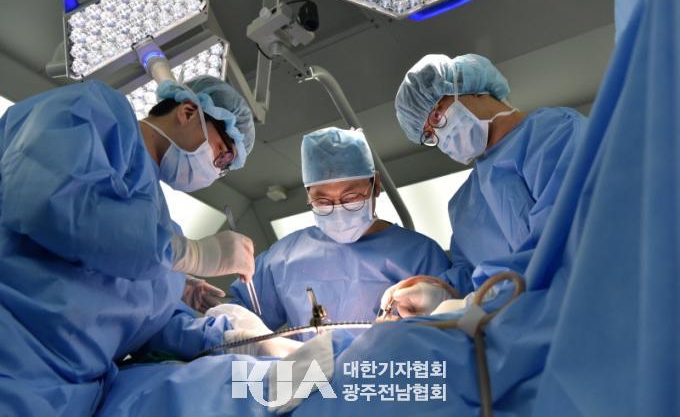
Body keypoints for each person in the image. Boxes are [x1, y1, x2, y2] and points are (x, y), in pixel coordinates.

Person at [0, 76, 256, 415]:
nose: (216, 170)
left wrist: (230, 337)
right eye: (222, 155)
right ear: (189, 112)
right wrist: (192, 254)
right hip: (12, 357)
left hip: (68, 397)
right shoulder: (95, 111)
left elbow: (142, 324)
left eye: (224, 169)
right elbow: (53, 203)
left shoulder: (161, 223)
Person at [382, 53, 586, 316]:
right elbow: (470, 275)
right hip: (518, 326)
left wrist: (485, 300)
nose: (440, 135)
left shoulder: (556, 133)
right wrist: (439, 294)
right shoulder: (463, 204)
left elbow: (569, 241)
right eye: (429, 135)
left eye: (436, 116)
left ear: (471, 88)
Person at [229, 127, 452, 340]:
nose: (338, 210)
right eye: (323, 201)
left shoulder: (420, 253)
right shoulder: (282, 257)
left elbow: (451, 329)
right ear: (308, 195)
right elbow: (237, 319)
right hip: (312, 368)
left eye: (351, 197)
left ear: (375, 185)